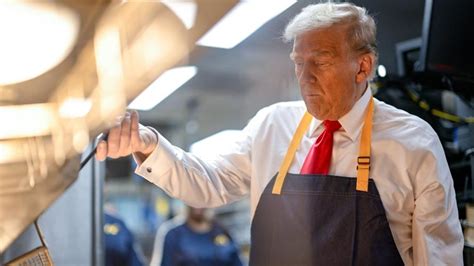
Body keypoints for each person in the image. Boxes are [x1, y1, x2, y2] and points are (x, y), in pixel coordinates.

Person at [96, 2, 463, 265]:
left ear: (362, 66)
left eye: (319, 62)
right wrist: (148, 144)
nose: (304, 78)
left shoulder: (414, 143)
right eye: (298, 64)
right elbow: (205, 182)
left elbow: (439, 258)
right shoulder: (272, 125)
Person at [150, 206, 242, 266]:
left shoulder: (223, 232)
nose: (198, 203)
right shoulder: (173, 234)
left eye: (203, 197)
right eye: (193, 197)